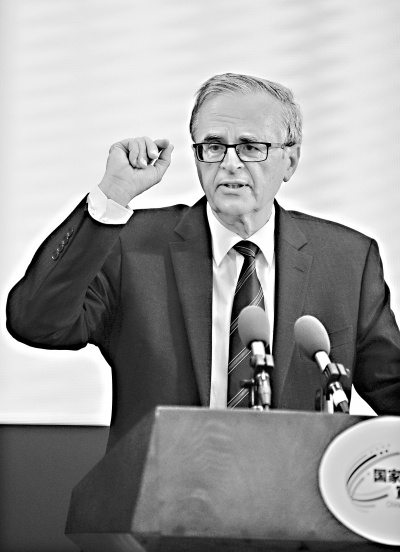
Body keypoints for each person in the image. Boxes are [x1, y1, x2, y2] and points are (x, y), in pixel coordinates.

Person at [6, 73, 400, 450]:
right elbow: (36, 323)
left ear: (291, 161)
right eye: (213, 146)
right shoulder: (134, 247)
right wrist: (112, 194)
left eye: (250, 147)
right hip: (166, 490)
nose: (230, 163)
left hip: (296, 490)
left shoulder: (347, 261)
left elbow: (391, 388)